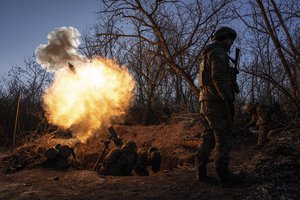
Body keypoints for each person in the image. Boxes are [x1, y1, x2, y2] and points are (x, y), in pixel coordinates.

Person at [196, 27, 243, 187]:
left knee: (207, 137)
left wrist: (232, 81)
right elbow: (218, 77)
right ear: (224, 38)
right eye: (230, 40)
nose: (231, 43)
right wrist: (228, 98)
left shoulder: (207, 54)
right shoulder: (219, 53)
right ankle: (224, 176)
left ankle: (200, 172)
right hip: (216, 102)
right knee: (222, 138)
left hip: (205, 101)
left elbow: (212, 77)